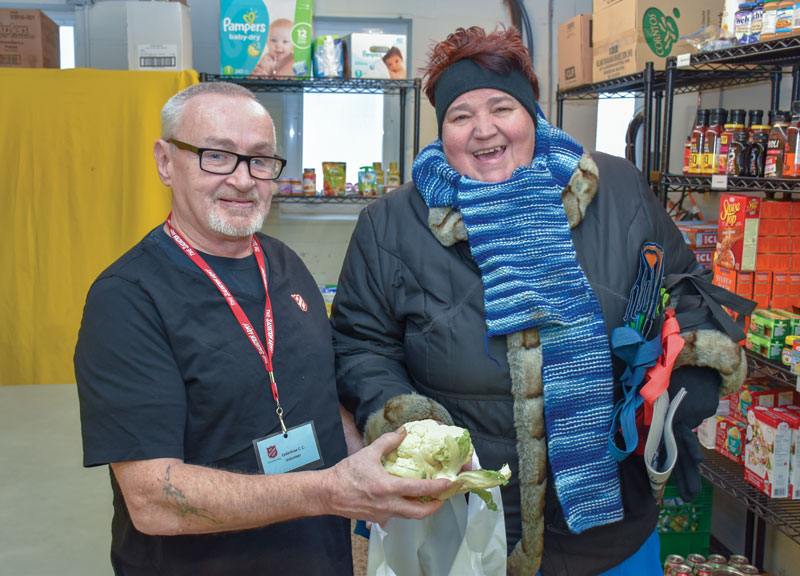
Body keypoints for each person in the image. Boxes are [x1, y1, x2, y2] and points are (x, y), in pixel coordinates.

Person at [330, 27, 751, 575]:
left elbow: (682, 283)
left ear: (533, 115)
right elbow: (362, 345)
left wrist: (692, 368)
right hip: (466, 524)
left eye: (501, 107)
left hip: (612, 525)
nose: (484, 130)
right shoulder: (391, 223)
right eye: (461, 116)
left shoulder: (617, 189)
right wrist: (408, 419)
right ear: (442, 131)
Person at [74, 81, 451, 575]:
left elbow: (319, 398)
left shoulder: (285, 264)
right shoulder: (127, 298)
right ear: (165, 161)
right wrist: (329, 491)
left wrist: (400, 463)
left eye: (259, 159)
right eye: (217, 156)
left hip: (318, 557)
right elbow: (153, 499)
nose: (243, 179)